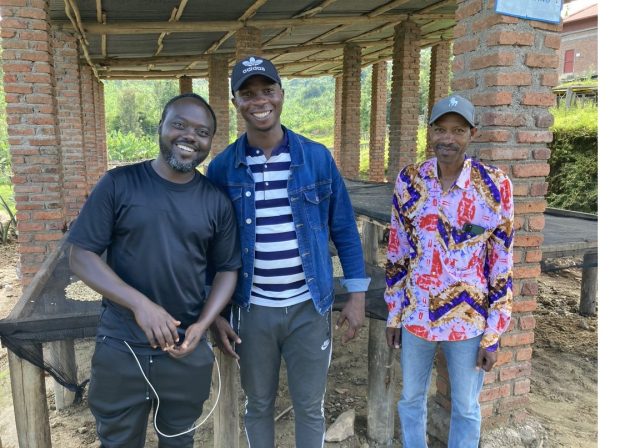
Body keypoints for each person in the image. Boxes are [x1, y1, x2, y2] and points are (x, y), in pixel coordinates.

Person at [206, 55, 370, 448]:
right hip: (252, 308)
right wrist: (217, 314)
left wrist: (357, 295)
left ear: (281, 94)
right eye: (248, 94)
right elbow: (211, 248)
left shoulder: (316, 158)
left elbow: (344, 228)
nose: (259, 100)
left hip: (308, 308)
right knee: (258, 402)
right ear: (235, 102)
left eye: (267, 90)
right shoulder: (223, 168)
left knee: (310, 405)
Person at [67, 93, 241, 448]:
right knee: (118, 442)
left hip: (184, 351)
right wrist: (140, 305)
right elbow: (81, 255)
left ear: (210, 142)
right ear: (160, 126)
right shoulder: (119, 184)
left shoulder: (215, 201)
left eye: (202, 131)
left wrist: (204, 324)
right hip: (121, 346)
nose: (190, 136)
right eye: (179, 125)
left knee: (179, 440)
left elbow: (226, 269)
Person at [384, 94, 514, 447]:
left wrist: (493, 332)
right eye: (441, 129)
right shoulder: (410, 181)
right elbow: (398, 252)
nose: (448, 139)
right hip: (416, 314)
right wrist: (394, 315)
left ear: (472, 133)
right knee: (411, 398)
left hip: (469, 319)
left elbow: (501, 262)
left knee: (466, 407)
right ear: (431, 133)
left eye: (457, 130)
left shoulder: (494, 186)